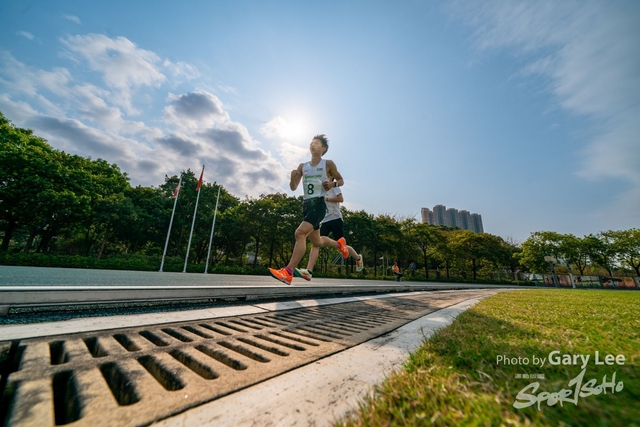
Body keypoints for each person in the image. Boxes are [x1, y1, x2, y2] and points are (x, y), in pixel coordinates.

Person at [269, 134, 349, 285]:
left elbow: (341, 180)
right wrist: (292, 178)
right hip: (306, 204)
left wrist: (333, 185)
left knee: (300, 233)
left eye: (316, 143)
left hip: (318, 205)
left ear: (323, 148)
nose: (312, 145)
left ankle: (288, 272)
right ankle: (340, 245)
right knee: (317, 242)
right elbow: (293, 188)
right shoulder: (302, 166)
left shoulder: (328, 164)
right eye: (311, 143)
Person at [294, 176, 364, 281]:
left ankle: (358, 258)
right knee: (316, 243)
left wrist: (326, 199)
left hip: (336, 219)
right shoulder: (322, 190)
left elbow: (340, 199)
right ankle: (308, 271)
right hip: (325, 220)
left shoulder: (334, 187)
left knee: (342, 247)